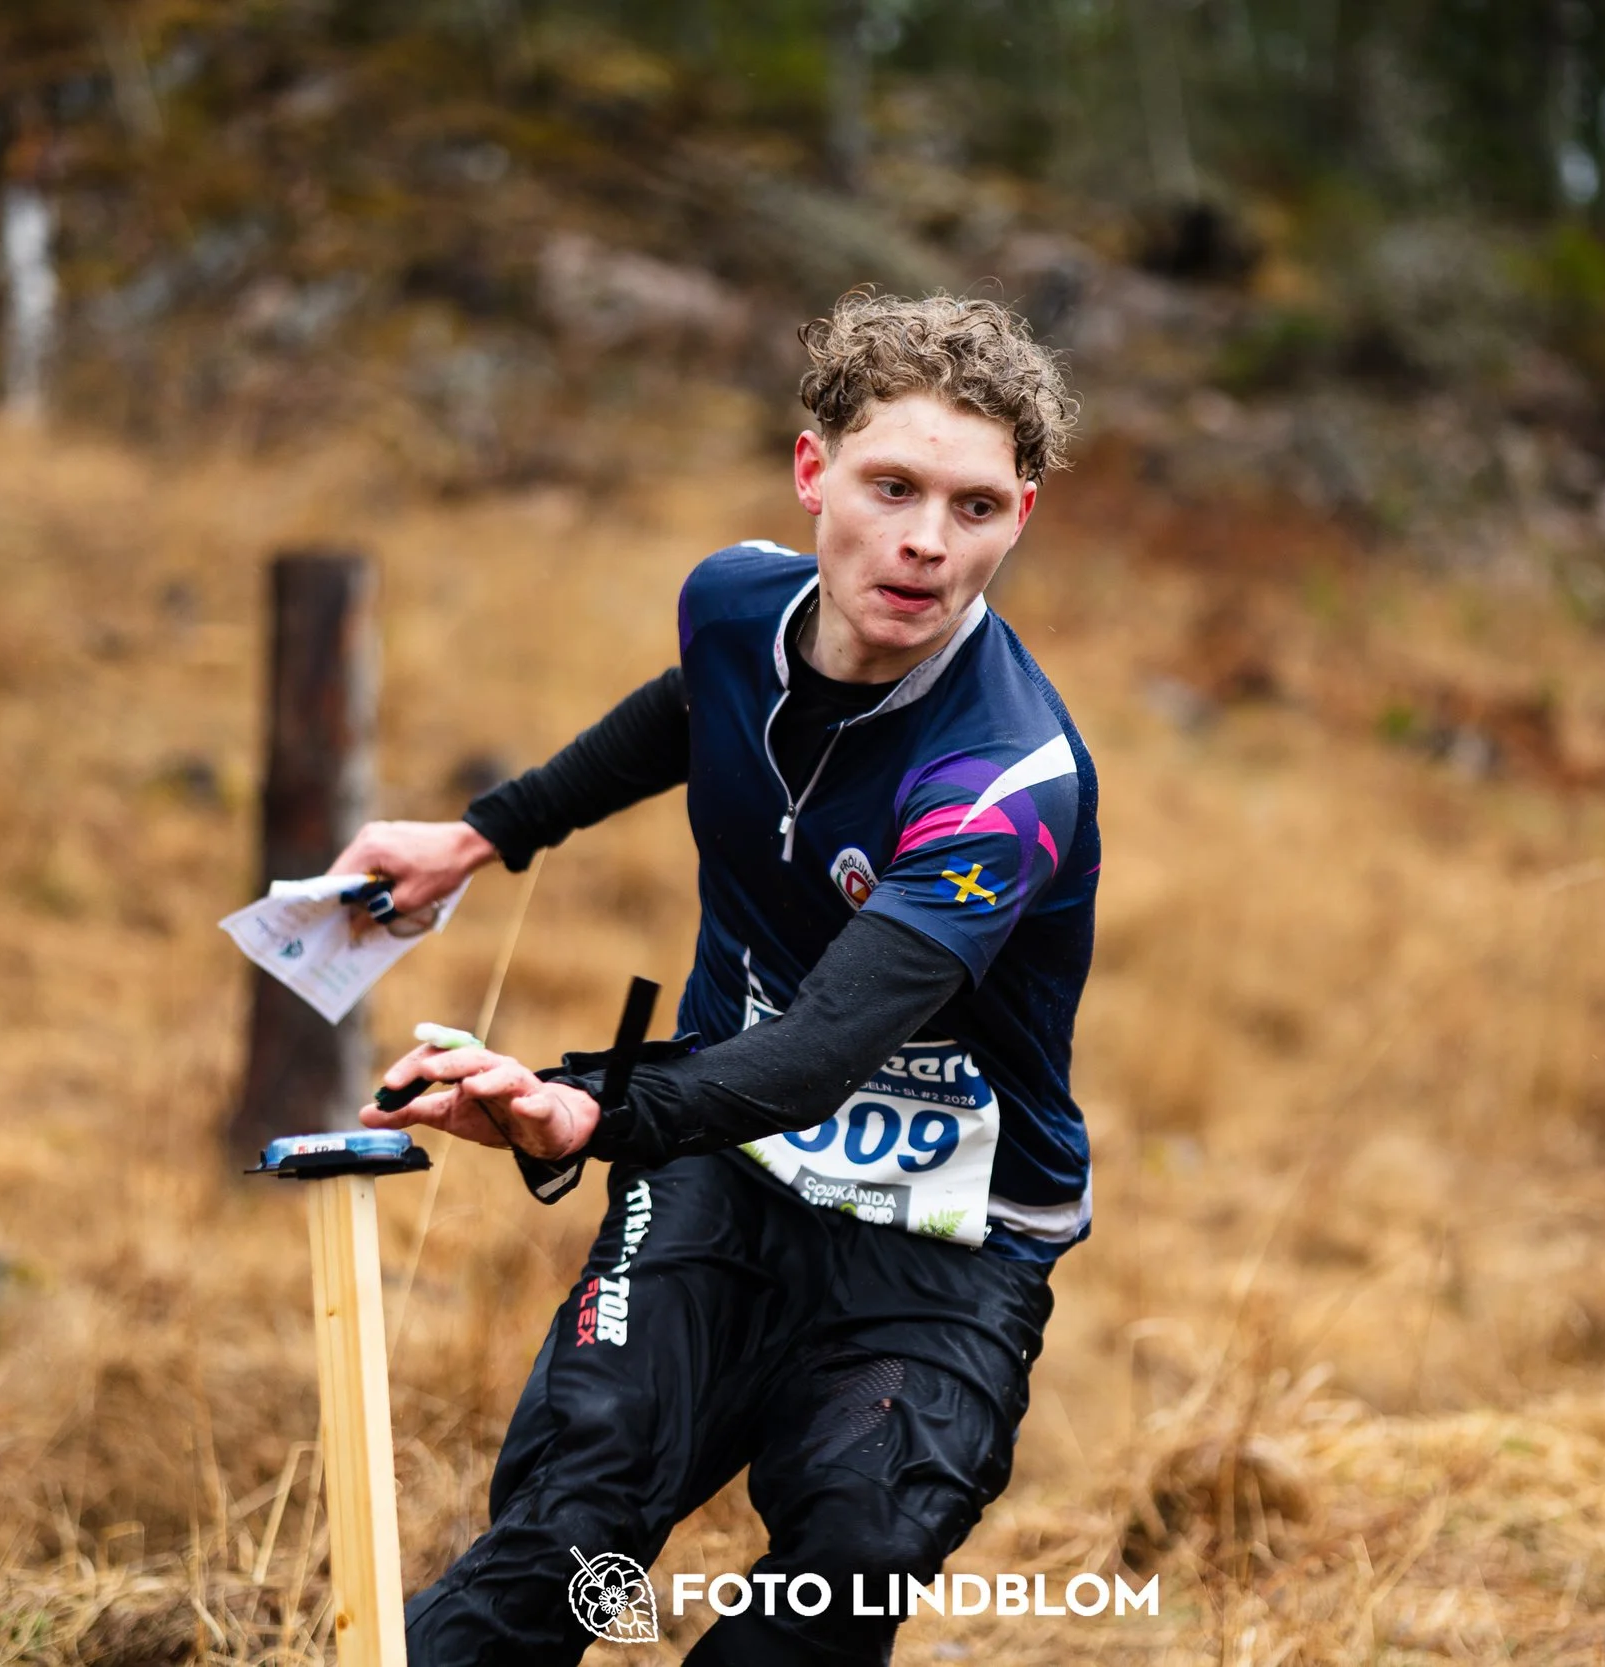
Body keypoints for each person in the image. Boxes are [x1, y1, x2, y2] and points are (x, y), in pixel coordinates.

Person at [330, 289, 1097, 1666]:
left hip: (945, 1237)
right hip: (725, 1167)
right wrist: (482, 835)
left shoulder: (1004, 782)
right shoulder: (736, 603)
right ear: (815, 473)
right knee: (572, 1536)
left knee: (844, 1570)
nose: (926, 542)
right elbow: (691, 704)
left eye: (976, 507)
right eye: (893, 486)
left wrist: (589, 1113)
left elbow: (818, 1052)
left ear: (1021, 518)